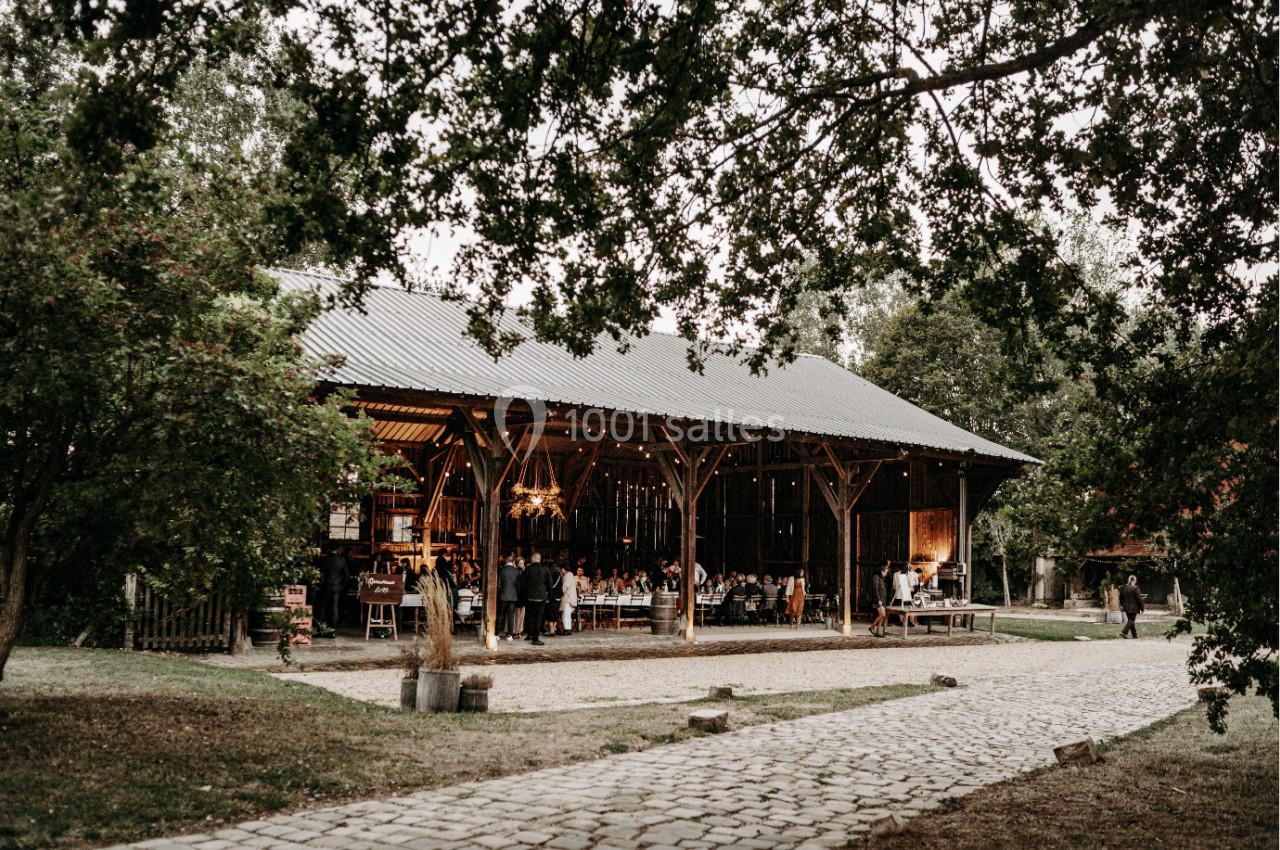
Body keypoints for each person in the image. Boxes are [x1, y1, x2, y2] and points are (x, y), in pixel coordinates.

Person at [520, 554, 557, 645]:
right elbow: (550, 584)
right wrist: (546, 592)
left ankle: (529, 635)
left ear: (532, 559)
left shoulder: (527, 569)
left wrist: (523, 595)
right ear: (539, 559)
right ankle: (535, 638)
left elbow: (522, 584)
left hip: (529, 596)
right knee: (538, 618)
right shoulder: (545, 569)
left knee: (529, 616)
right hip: (541, 597)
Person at [317, 545, 348, 628]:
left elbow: (321, 573)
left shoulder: (325, 559)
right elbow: (347, 575)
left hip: (326, 585)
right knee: (335, 607)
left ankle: (321, 626)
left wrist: (320, 584)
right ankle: (333, 628)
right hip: (337, 586)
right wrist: (342, 585)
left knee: (323, 606)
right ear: (337, 549)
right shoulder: (342, 559)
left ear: (329, 549)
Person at [497, 556, 520, 640]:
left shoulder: (502, 570)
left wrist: (499, 594)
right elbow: (518, 585)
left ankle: (496, 634)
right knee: (511, 616)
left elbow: (498, 584)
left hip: (503, 596)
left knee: (500, 615)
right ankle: (509, 635)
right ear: (513, 562)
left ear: (506, 561)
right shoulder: (516, 571)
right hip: (513, 596)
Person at [868, 561, 891, 637]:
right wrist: (878, 599)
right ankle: (872, 627)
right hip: (878, 600)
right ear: (882, 571)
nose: (886, 574)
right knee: (883, 615)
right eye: (885, 572)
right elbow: (876, 589)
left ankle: (878, 632)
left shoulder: (882, 578)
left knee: (882, 615)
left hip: (882, 600)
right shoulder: (876, 577)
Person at [1119, 574, 1145, 638]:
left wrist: (1122, 605)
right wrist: (1142, 608)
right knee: (1131, 620)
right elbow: (1139, 599)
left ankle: (1134, 635)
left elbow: (1121, 598)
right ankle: (1123, 632)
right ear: (1134, 580)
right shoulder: (1135, 588)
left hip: (1126, 607)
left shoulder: (1123, 587)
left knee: (1131, 620)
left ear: (1129, 580)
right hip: (1134, 607)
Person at [559, 563, 578, 634]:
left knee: (566, 613)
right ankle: (567, 628)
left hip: (568, 598)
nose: (561, 571)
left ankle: (567, 629)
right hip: (569, 597)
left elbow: (565, 587)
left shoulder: (568, 575)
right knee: (566, 614)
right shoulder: (570, 575)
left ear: (563, 569)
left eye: (561, 569)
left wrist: (562, 591)